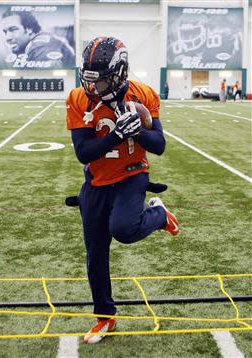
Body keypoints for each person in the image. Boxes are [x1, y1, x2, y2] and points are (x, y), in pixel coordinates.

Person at [66, 36, 180, 344]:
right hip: (96, 182)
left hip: (132, 175)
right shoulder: (79, 99)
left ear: (120, 73)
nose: (94, 88)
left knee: (125, 229)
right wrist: (117, 134)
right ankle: (105, 318)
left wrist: (138, 131)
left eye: (101, 81)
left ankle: (157, 214)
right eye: (89, 80)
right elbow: (84, 152)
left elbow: (159, 145)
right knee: (95, 255)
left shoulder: (143, 95)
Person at [1, 10, 74, 68]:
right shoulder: (40, 41)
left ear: (29, 29)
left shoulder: (39, 47)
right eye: (5, 32)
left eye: (13, 29)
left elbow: (49, 78)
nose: (8, 38)